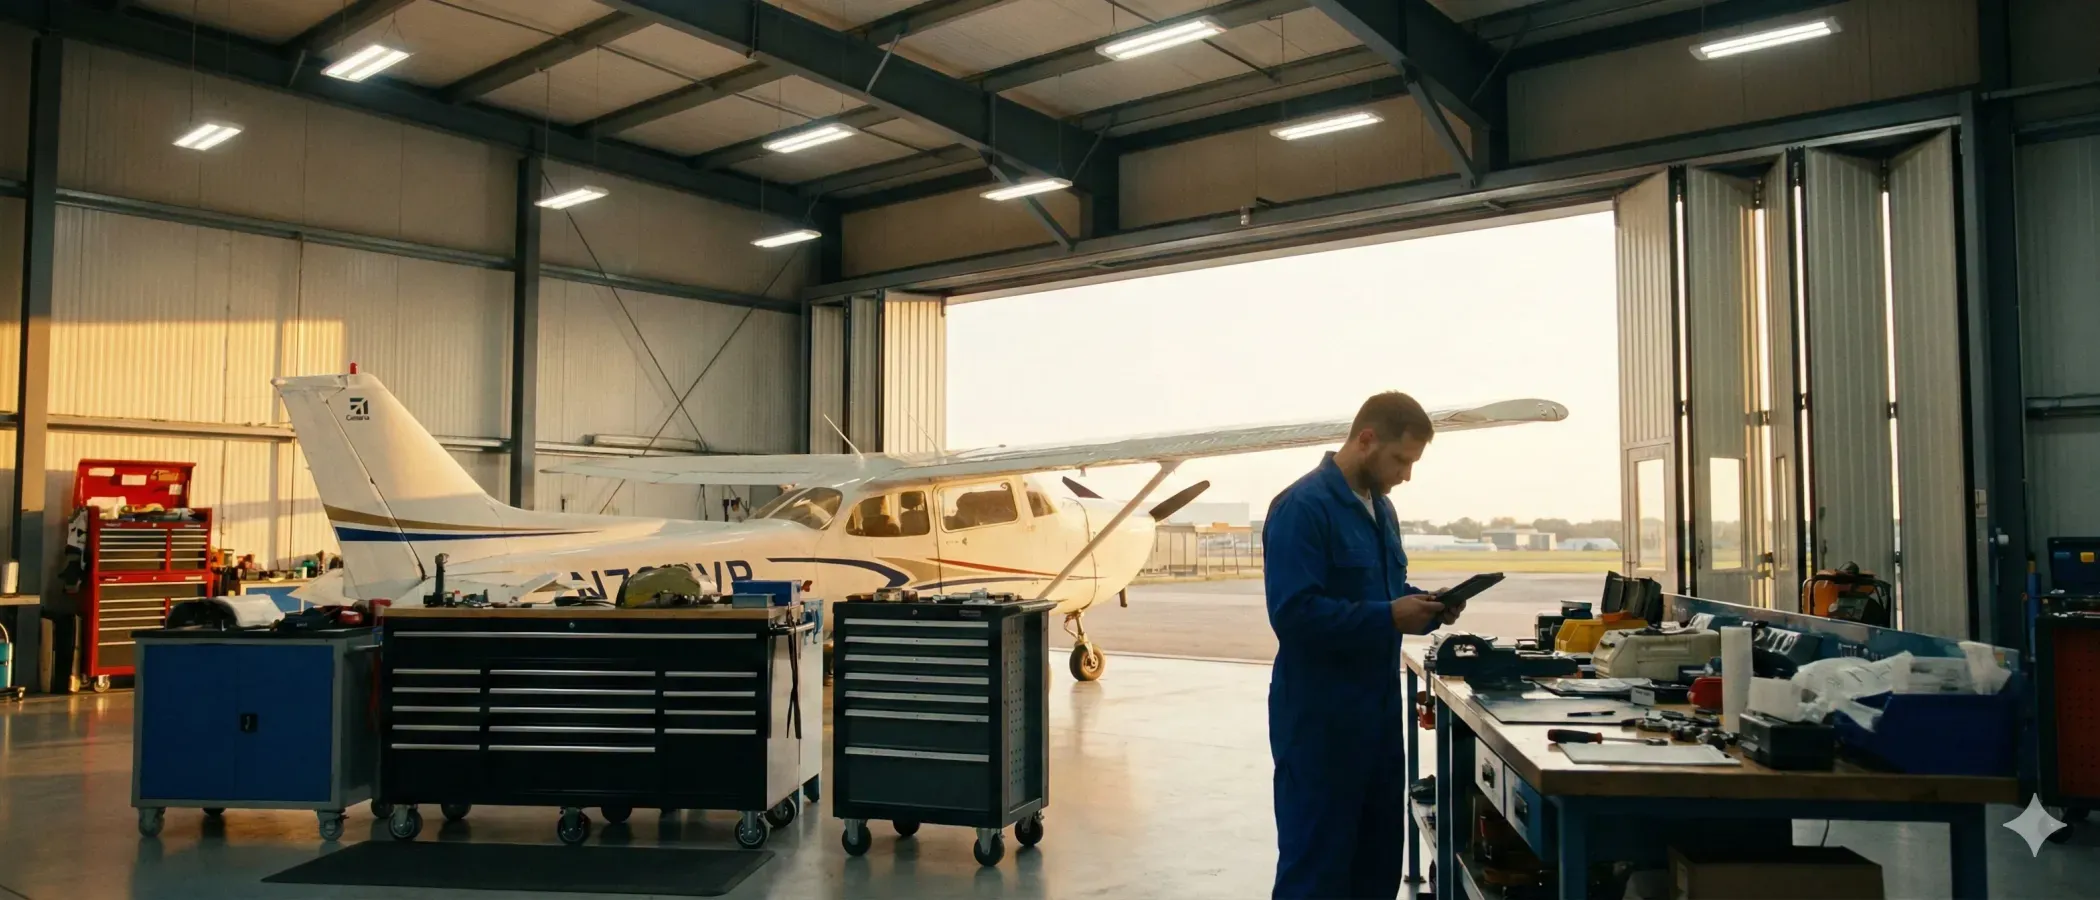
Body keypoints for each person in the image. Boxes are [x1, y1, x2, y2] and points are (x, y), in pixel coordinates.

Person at [1264, 391, 1464, 900]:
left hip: (1375, 718)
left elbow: (1380, 596)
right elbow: (1293, 614)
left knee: (1375, 865)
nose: (1407, 474)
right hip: (1319, 722)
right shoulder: (1301, 508)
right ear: (1366, 439)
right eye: (1402, 459)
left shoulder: (1383, 511)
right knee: (1316, 869)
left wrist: (1421, 606)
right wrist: (1388, 615)